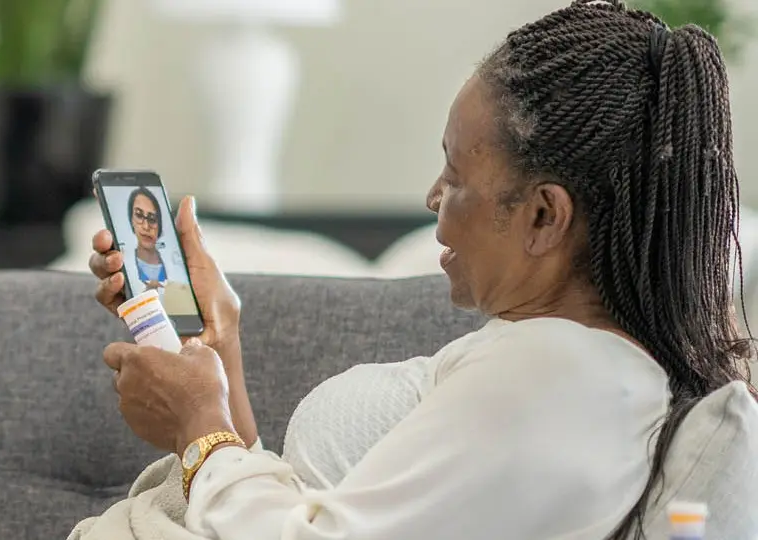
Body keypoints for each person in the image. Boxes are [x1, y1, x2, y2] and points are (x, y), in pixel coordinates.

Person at [86, 0, 757, 537]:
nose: (434, 196)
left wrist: (197, 425)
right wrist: (220, 358)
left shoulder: (562, 377)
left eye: (456, 173)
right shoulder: (571, 368)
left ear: (545, 217)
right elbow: (310, 516)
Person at [127, 187, 167, 292]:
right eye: (139, 215)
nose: (146, 226)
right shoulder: (126, 264)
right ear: (131, 220)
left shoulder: (172, 263)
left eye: (152, 218)